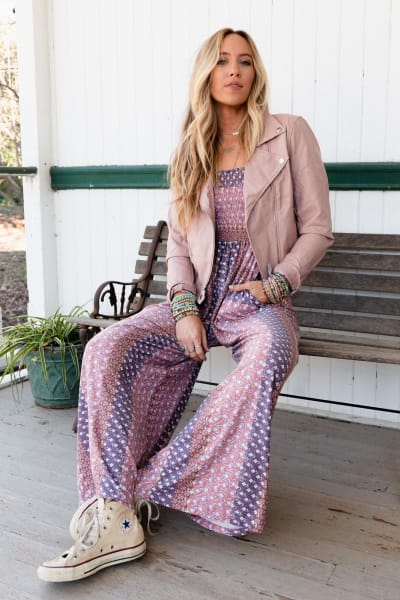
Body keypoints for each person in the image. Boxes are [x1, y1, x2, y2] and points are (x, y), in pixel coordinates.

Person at [37, 28, 333, 583]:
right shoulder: (190, 146)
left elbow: (318, 228)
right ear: (206, 73)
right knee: (104, 349)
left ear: (256, 73)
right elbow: (178, 244)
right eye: (222, 61)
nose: (234, 70)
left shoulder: (289, 133)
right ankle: (113, 514)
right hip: (198, 298)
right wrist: (183, 308)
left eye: (245, 61)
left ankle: (145, 486)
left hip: (256, 299)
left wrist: (276, 285)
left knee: (272, 350)